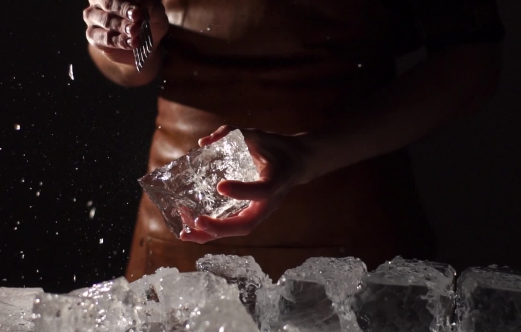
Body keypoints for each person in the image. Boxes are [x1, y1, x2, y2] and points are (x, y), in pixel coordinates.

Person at [83, 0, 505, 281]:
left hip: (351, 218)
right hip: (178, 230)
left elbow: (472, 62)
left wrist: (308, 154)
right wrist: (129, 40)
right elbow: (127, 66)